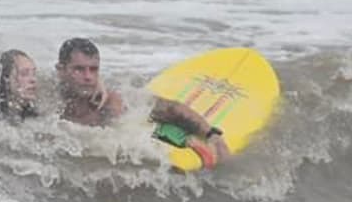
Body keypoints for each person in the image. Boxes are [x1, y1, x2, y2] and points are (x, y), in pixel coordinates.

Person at [54, 37, 228, 165]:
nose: (88, 77)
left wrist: (212, 134)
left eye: (93, 70)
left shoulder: (110, 103)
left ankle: (181, 137)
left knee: (143, 124)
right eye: (79, 69)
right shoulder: (50, 98)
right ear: (61, 70)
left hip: (134, 135)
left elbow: (170, 108)